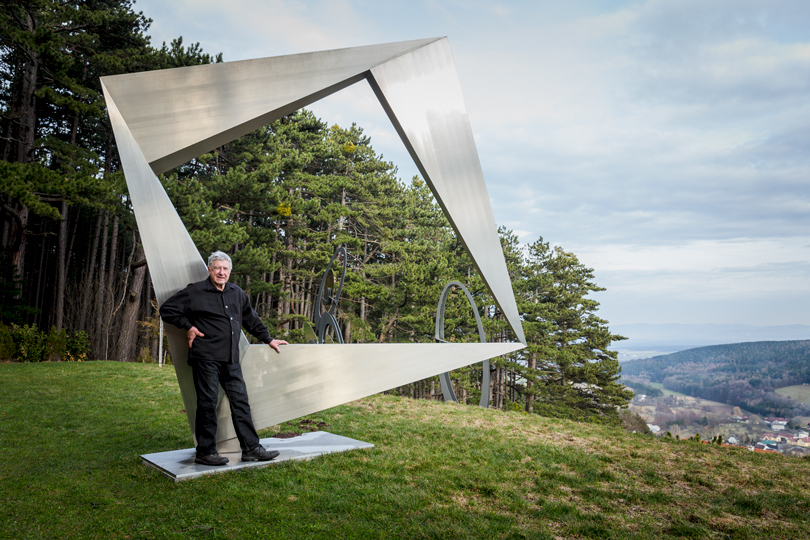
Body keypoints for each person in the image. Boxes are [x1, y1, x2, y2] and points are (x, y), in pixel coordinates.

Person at [160, 251, 289, 466]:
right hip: (206, 357)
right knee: (208, 403)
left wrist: (268, 339)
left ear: (230, 271)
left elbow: (250, 319)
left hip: (230, 358)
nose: (221, 272)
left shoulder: (236, 293)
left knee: (241, 402)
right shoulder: (195, 291)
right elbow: (167, 310)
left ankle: (251, 448)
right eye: (217, 268)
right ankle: (205, 451)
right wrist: (189, 326)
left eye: (225, 269)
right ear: (210, 270)